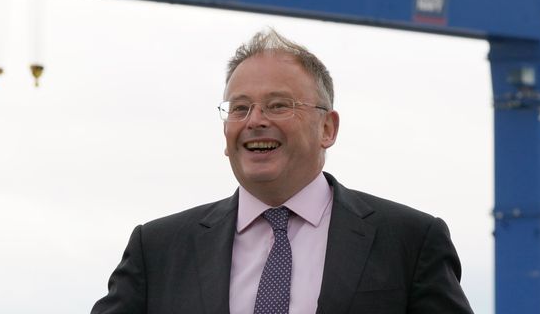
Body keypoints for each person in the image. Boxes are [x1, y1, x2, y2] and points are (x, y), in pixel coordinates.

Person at [92, 29, 473, 314]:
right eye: (240, 108)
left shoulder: (409, 241)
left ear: (328, 129)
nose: (255, 121)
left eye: (278, 105)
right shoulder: (158, 249)